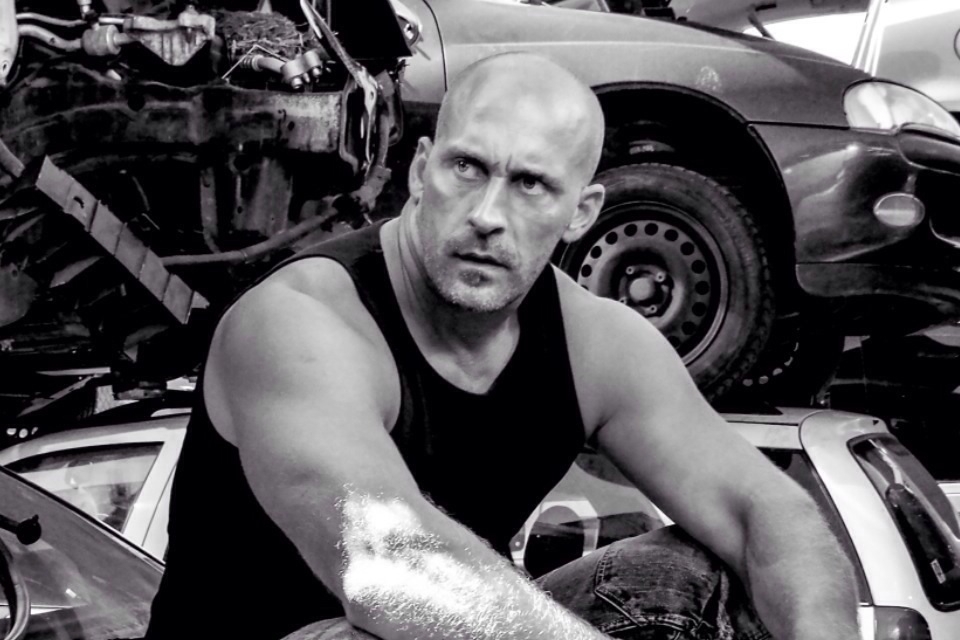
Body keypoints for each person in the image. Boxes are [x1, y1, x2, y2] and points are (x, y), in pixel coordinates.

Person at [145, 52, 859, 640]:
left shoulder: (597, 344)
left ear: (581, 212)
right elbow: (387, 564)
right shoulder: (299, 322)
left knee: (696, 577)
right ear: (420, 169)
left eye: (530, 185)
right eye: (467, 168)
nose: (487, 215)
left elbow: (764, 510)